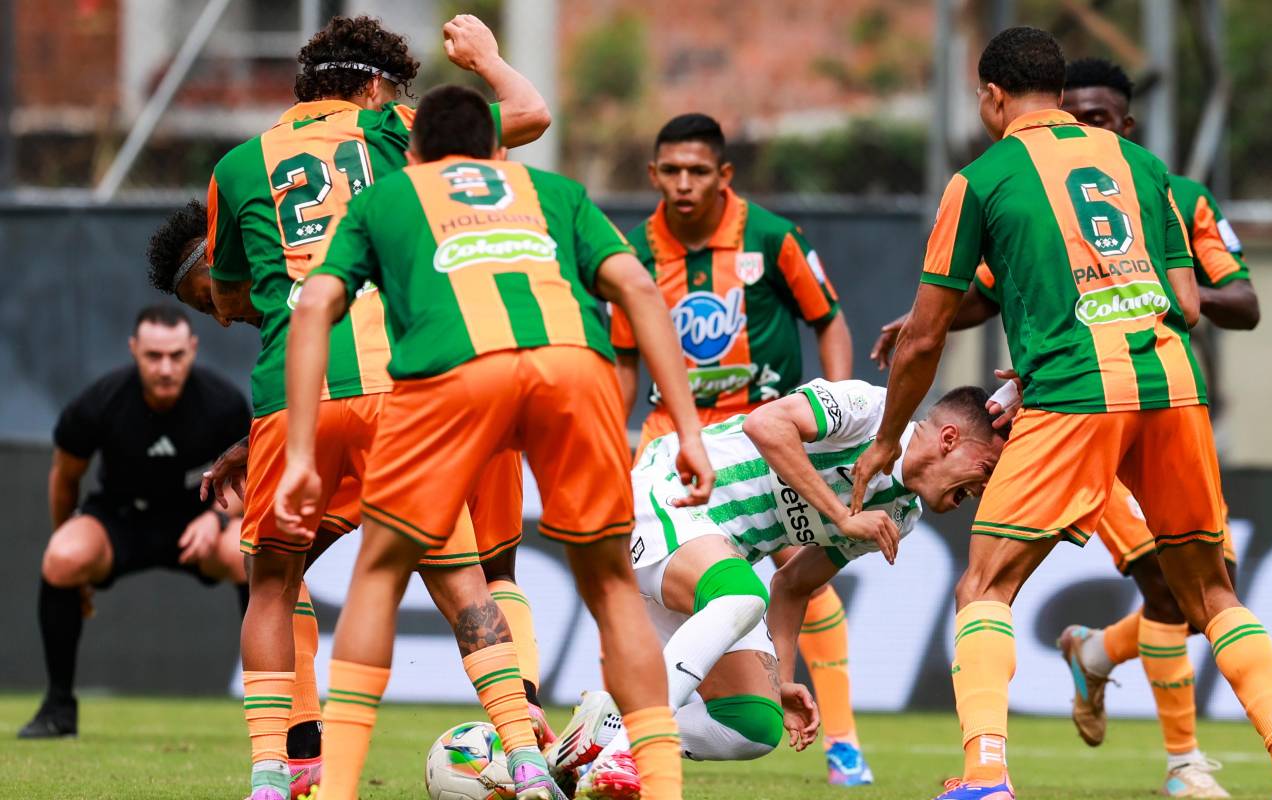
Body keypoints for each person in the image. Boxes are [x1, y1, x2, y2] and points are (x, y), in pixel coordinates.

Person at [849, 27, 1272, 800]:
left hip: (1075, 391)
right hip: (1172, 382)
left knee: (985, 588)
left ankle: (984, 777)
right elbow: (1185, 302)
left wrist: (885, 442)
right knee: (1211, 595)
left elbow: (925, 335)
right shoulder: (1144, 168)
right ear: (1061, 92)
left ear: (993, 98)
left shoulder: (982, 178)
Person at [277, 84, 714, 800]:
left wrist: (299, 453)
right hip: (573, 362)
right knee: (609, 588)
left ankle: (337, 791)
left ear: (413, 154)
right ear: (500, 151)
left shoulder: (390, 194)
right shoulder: (553, 191)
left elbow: (318, 304)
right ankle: (662, 789)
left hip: (455, 371)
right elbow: (636, 287)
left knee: (379, 575)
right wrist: (687, 428)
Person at [165, 15, 556, 800]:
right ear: (377, 86)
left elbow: (229, 292)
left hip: (294, 398)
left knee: (272, 583)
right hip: (405, 388)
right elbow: (531, 114)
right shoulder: (394, 130)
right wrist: (486, 61)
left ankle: (274, 773)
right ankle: (524, 757)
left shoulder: (238, 166)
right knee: (467, 583)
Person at [571, 380, 1008, 800]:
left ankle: (605, 730)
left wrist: (782, 677)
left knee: (754, 725)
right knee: (741, 595)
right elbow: (765, 424)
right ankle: (628, 750)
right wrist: (840, 514)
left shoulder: (900, 516)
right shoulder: (868, 409)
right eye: (987, 469)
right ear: (949, 438)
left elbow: (795, 583)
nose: (985, 488)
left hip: (709, 558)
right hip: (668, 493)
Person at [608, 112, 871, 786]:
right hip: (677, 440)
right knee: (667, 591)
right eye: (672, 171)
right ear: (653, 176)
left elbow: (828, 318)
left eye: (699, 171)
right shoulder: (636, 254)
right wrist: (612, 439)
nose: (685, 184)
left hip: (764, 435)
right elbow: (623, 360)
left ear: (724, 175)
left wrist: (837, 399)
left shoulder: (772, 237)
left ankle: (842, 741)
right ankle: (622, 727)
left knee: (809, 577)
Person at [18, 305, 250, 739]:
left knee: (248, 551)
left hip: (195, 526)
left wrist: (216, 520)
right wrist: (67, 553)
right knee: (63, 557)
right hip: (119, 519)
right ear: (134, 351)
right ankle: (57, 708)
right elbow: (65, 479)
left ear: (193, 350)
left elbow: (250, 479)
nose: (165, 367)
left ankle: (274, 711)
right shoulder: (96, 405)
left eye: (176, 355)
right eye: (153, 356)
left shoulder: (223, 404)